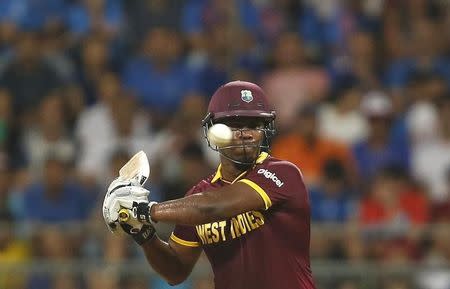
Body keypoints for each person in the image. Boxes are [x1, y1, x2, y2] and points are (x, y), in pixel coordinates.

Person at [102, 81, 316, 289]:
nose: (246, 133)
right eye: (234, 124)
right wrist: (142, 233)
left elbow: (212, 207)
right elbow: (176, 271)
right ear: (214, 131)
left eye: (254, 125)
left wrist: (144, 210)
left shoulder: (283, 174)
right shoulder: (198, 195)